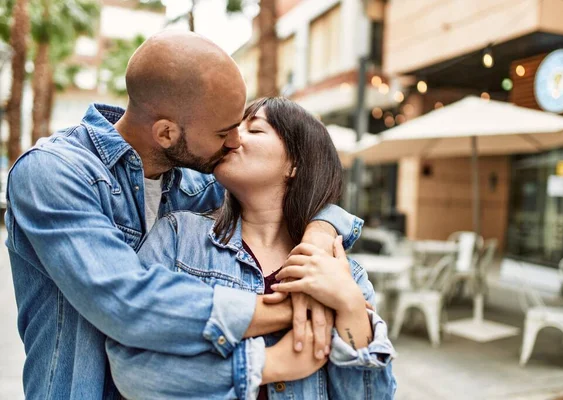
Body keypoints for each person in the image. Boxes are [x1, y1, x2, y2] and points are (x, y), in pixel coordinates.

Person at [5, 32, 362, 399]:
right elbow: (127, 302)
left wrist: (318, 236)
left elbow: (295, 193)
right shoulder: (54, 172)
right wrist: (291, 309)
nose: (235, 142)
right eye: (224, 132)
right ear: (166, 133)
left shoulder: (195, 180)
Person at [106, 97, 396, 399]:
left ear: (295, 164)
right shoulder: (179, 238)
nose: (231, 139)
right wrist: (266, 366)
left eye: (254, 130)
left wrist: (349, 305)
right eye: (232, 129)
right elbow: (131, 368)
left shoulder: (341, 271)